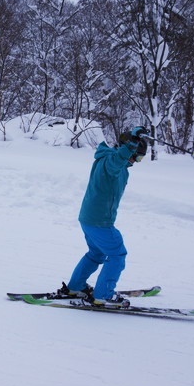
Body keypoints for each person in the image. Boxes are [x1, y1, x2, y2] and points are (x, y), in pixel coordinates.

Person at [57, 126, 150, 306]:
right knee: (117, 254)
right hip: (100, 221)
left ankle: (75, 288)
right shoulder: (112, 163)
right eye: (137, 156)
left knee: (96, 253)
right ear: (126, 149)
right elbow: (117, 160)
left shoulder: (109, 160)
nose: (136, 161)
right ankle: (103, 296)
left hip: (89, 218)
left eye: (141, 158)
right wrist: (132, 144)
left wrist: (131, 146)